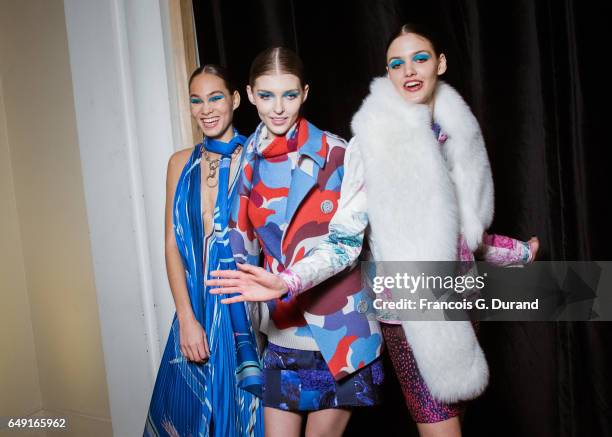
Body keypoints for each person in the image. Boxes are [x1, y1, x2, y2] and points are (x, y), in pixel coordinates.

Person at [207, 25, 539, 437]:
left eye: (420, 58)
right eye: (397, 63)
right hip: (402, 309)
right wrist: (281, 288)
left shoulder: (453, 134)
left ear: (441, 63)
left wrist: (518, 253)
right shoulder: (367, 144)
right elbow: (343, 241)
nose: (409, 70)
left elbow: (464, 235)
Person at [215, 47, 384, 437]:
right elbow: (242, 247)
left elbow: (346, 244)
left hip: (339, 331)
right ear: (251, 94)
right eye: (267, 95)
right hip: (281, 330)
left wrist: (287, 281)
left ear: (305, 93)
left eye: (289, 95)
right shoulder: (244, 163)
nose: (278, 108)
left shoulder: (338, 152)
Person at [144, 65, 263, 437]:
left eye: (215, 97)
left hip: (246, 314)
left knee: (245, 419)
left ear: (235, 99)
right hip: (194, 310)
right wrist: (186, 318)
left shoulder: (259, 158)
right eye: (196, 100)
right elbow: (171, 244)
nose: (206, 108)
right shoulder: (180, 163)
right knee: (185, 417)